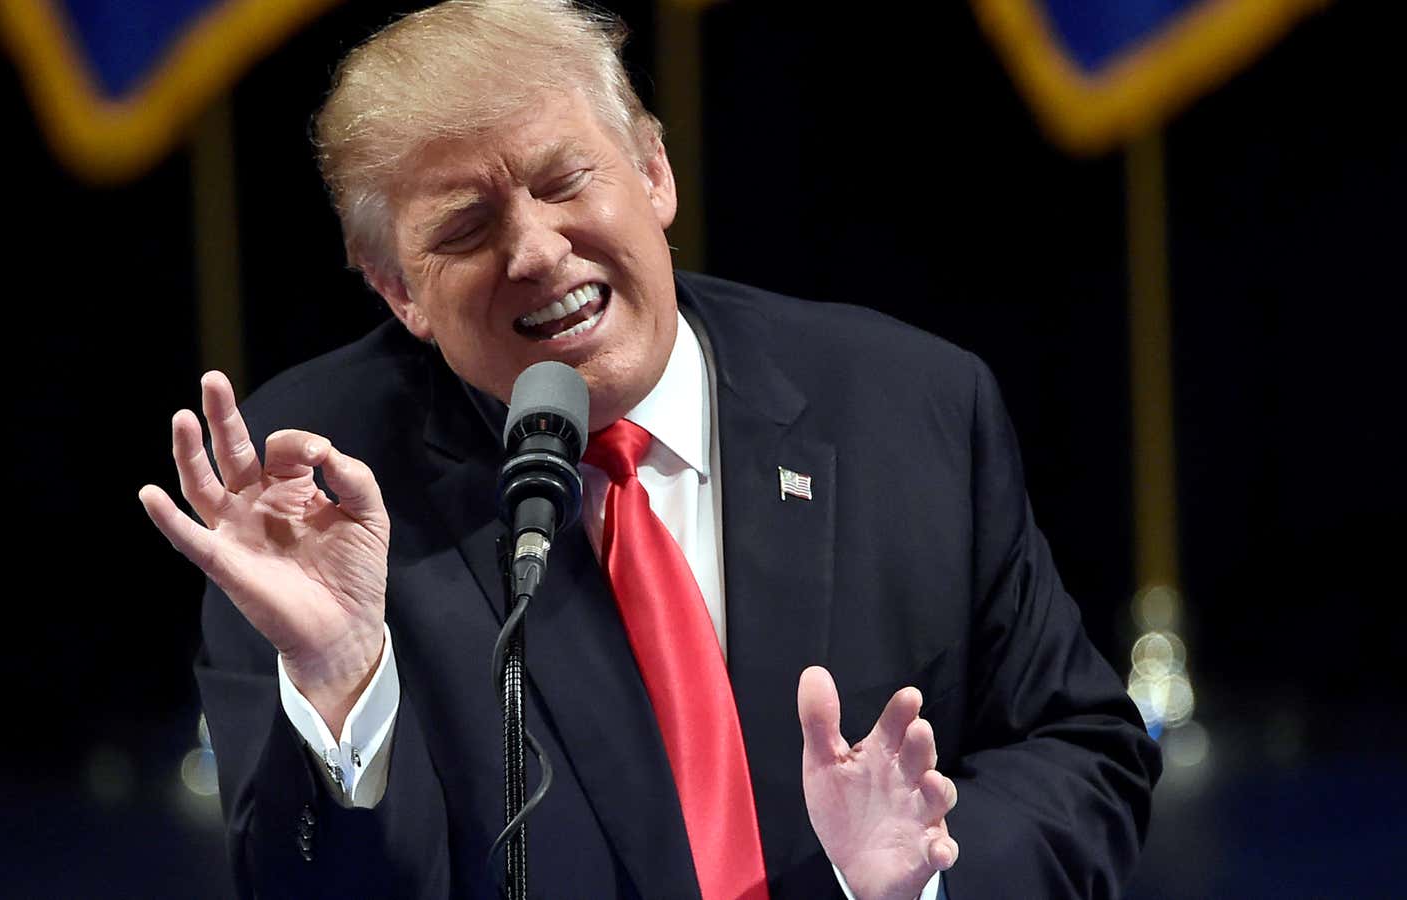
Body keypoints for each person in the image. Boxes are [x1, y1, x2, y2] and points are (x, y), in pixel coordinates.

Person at [138, 1, 1161, 897]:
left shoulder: (905, 403)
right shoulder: (311, 491)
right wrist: (340, 679)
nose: (535, 250)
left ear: (654, 169)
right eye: (464, 227)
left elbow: (1081, 752)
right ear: (397, 289)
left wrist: (915, 880)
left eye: (565, 180)